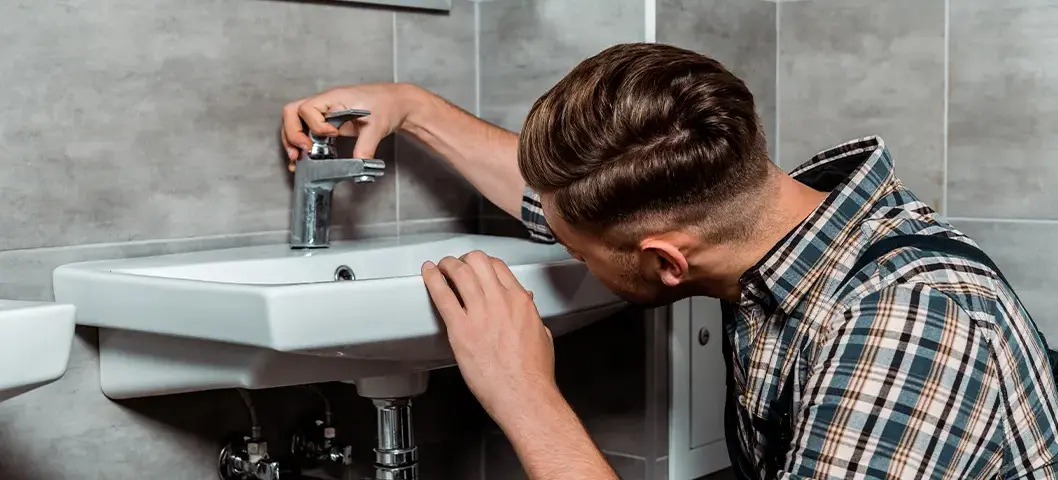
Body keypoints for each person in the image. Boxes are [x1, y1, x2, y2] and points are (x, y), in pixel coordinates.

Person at [281, 43, 1058, 479]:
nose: (557, 246)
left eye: (576, 249)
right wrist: (415, 109)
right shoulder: (767, 217)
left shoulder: (903, 331)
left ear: (666, 263)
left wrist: (526, 398)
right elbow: (566, 202)